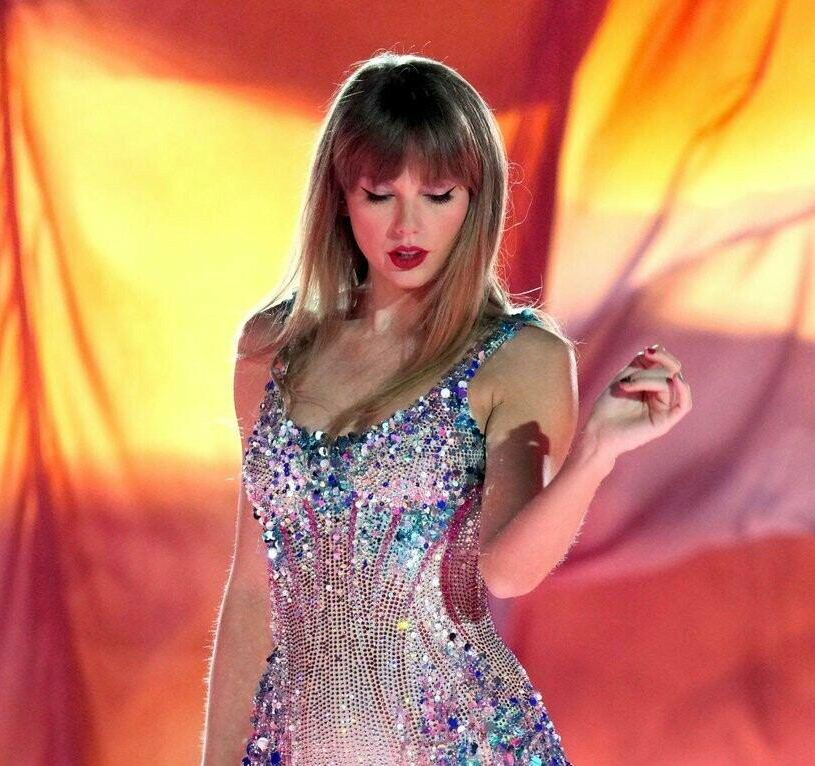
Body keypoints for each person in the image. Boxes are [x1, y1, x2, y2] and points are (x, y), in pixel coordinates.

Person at [200, 51, 691, 766]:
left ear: (475, 200)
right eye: (379, 194)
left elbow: (508, 573)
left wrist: (595, 454)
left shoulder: (518, 357)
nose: (408, 225)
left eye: (437, 194)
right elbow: (252, 590)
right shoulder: (271, 349)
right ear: (340, 195)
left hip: (463, 745)